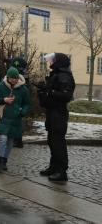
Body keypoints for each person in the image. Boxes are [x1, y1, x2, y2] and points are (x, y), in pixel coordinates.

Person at [38, 53, 75, 182]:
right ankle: (54, 167)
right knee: (52, 141)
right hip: (52, 112)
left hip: (58, 113)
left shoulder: (64, 76)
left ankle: (62, 171)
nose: (50, 62)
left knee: (58, 142)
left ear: (59, 62)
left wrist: (50, 91)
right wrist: (43, 90)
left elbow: (66, 96)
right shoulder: (56, 74)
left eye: (53, 60)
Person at [0, 67, 31, 172]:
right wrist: (4, 100)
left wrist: (23, 112)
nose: (14, 80)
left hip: (16, 119)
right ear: (7, 77)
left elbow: (27, 103)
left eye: (16, 78)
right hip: (4, 117)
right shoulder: (0, 86)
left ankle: (4, 161)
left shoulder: (23, 89)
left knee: (10, 141)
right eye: (12, 78)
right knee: (3, 139)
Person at [7, 56, 28, 148]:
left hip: (18, 101)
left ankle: (18, 140)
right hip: (12, 101)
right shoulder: (22, 75)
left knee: (17, 122)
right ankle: (15, 139)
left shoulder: (22, 77)